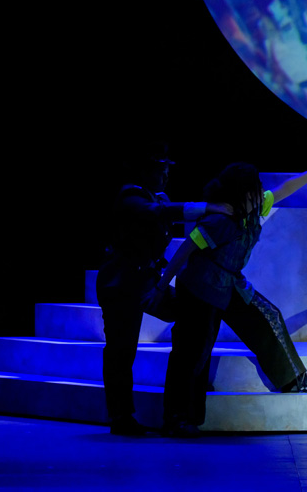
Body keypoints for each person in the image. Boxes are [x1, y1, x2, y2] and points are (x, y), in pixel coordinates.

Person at [159, 150, 307, 437]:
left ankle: (293, 378)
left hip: (229, 283)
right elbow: (184, 251)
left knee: (268, 315)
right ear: (241, 193)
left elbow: (285, 188)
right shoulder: (220, 219)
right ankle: (177, 418)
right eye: (254, 189)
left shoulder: (254, 208)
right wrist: (161, 285)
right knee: (194, 350)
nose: (260, 193)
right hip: (200, 288)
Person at [96, 142, 232, 436]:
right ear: (145, 171)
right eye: (161, 169)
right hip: (121, 284)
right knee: (121, 350)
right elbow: (156, 213)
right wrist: (208, 207)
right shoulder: (130, 195)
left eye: (168, 169)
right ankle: (121, 417)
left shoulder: (158, 197)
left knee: (193, 315)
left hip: (145, 281)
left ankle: (180, 406)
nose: (166, 175)